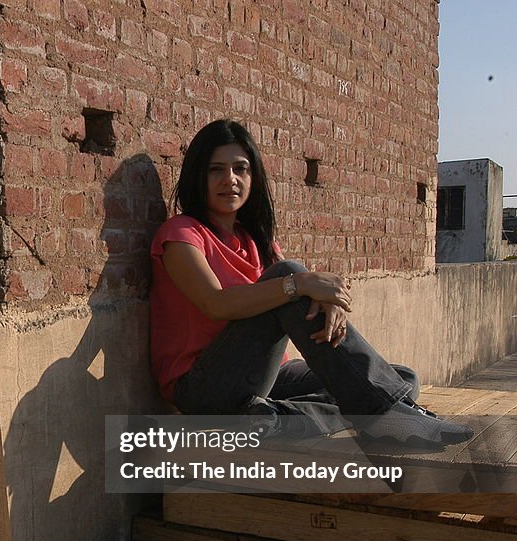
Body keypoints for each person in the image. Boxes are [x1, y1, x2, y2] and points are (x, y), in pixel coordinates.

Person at [149, 119, 473, 447]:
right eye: (215, 169)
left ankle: (274, 419)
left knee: (398, 379)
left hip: (263, 382)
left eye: (240, 169)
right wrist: (300, 284)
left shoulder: (256, 240)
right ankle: (383, 416)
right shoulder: (181, 235)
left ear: (254, 176)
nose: (229, 180)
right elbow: (215, 303)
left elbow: (293, 290)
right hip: (204, 389)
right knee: (290, 279)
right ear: (197, 176)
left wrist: (327, 302)